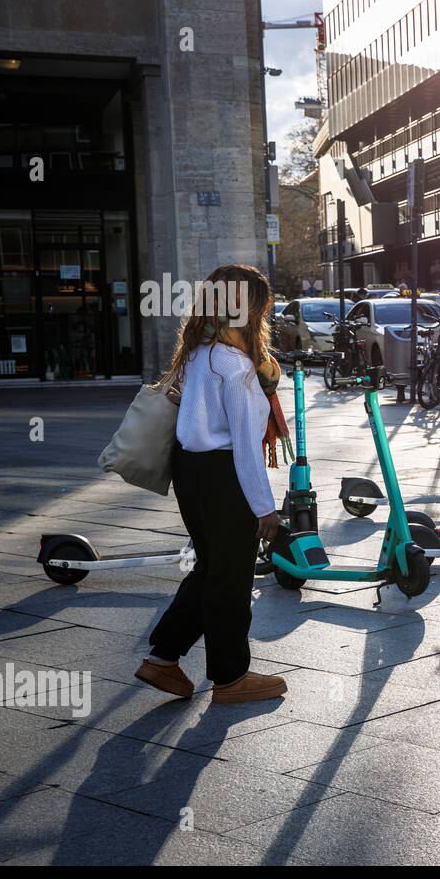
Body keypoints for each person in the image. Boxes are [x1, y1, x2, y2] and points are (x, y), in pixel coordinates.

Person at [136, 264, 289, 704]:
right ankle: (231, 677)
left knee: (211, 569)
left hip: (190, 470)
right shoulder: (233, 364)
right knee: (231, 579)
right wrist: (264, 508)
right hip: (223, 475)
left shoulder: (198, 352)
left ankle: (163, 659)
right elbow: (244, 446)